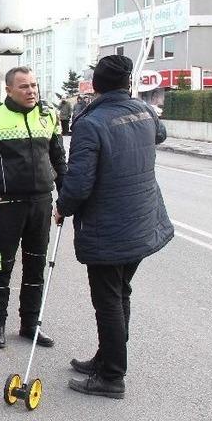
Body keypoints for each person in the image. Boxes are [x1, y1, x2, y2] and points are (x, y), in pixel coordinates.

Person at [55, 55, 173, 399]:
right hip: (142, 221)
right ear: (128, 83)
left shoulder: (91, 123)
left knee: (107, 299)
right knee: (120, 292)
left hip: (110, 227)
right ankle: (106, 358)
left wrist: (62, 208)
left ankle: (111, 377)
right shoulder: (143, 111)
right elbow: (160, 135)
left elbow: (78, 183)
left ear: (97, 86)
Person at [0, 66, 67, 349]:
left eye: (34, 85)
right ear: (9, 89)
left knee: (36, 268)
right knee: (1, 267)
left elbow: (60, 161)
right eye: (24, 86)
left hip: (40, 204)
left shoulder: (49, 115)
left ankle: (30, 324)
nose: (31, 91)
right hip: (5, 206)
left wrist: (65, 199)